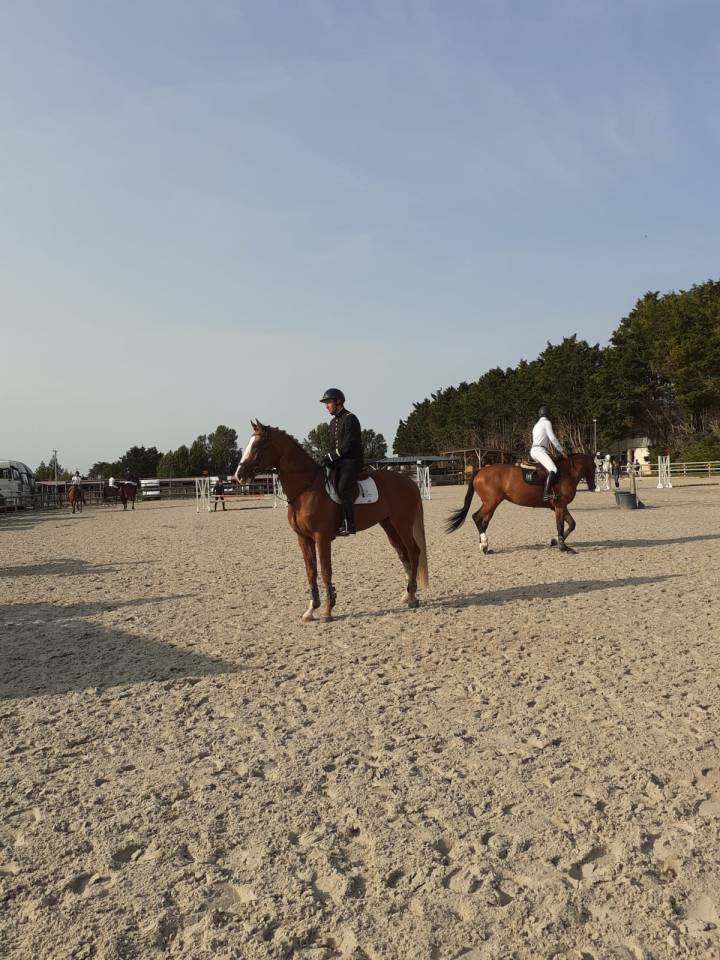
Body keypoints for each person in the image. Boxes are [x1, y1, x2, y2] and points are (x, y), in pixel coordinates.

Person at [320, 387, 363, 535]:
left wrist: (331, 456)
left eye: (328, 403)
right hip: (339, 462)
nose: (326, 406)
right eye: (325, 403)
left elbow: (348, 444)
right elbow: (332, 445)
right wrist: (326, 458)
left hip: (352, 461)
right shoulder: (333, 423)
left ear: (338, 402)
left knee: (343, 487)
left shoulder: (350, 418)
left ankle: (348, 524)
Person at [530, 404, 565, 502]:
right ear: (548, 414)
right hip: (539, 451)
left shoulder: (536, 425)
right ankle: (546, 494)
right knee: (553, 468)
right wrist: (562, 451)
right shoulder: (546, 423)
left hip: (535, 450)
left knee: (549, 466)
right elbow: (553, 438)